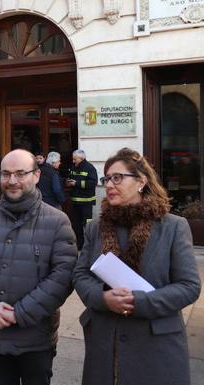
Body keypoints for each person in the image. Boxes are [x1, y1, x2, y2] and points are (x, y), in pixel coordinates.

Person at [72, 147, 201, 385]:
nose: (109, 184)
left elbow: (189, 286)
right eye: (107, 178)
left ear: (141, 181)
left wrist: (138, 302)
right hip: (104, 343)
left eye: (117, 177)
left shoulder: (173, 226)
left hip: (156, 346)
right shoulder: (95, 227)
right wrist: (103, 299)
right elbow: (80, 275)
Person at [0, 149, 77, 385]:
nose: (12, 181)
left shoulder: (57, 221)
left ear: (36, 175)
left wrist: (20, 313)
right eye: (6, 174)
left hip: (35, 338)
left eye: (20, 173)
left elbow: (63, 277)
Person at [65, 149, 98, 249]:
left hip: (86, 203)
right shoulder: (73, 167)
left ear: (81, 158)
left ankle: (90, 246)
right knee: (76, 225)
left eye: (75, 159)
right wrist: (68, 182)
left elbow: (93, 183)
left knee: (87, 225)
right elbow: (69, 177)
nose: (73, 161)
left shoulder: (90, 168)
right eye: (73, 159)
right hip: (75, 202)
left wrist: (76, 183)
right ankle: (79, 245)